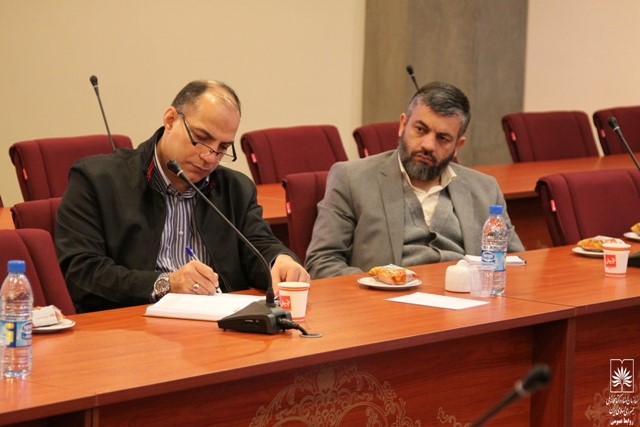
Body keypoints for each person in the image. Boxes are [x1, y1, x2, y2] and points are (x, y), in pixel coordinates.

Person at [56, 80, 309, 313]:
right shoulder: (97, 181)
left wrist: (280, 261)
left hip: (218, 326)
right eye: (201, 138)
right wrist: (167, 283)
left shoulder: (236, 188)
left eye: (222, 147)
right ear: (170, 120)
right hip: (130, 326)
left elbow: (260, 245)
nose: (209, 157)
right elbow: (81, 272)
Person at [305, 81, 524, 279]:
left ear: (458, 145)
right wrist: (379, 284)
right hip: (387, 302)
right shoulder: (352, 179)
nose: (428, 145)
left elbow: (516, 263)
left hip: (467, 302)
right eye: (420, 130)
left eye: (443, 138)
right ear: (403, 125)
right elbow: (321, 263)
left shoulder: (485, 189)